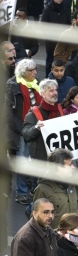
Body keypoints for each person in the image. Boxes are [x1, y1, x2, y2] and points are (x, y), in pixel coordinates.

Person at [5, 58, 41, 204]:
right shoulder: (13, 86)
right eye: (31, 70)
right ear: (23, 72)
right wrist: (21, 129)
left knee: (36, 160)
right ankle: (20, 192)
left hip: (35, 128)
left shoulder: (35, 84)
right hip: (21, 130)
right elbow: (8, 112)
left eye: (35, 69)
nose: (35, 72)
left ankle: (33, 188)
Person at [32, 149, 78, 228]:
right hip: (54, 237)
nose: (73, 167)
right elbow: (36, 220)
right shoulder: (43, 189)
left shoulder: (71, 184)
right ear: (59, 168)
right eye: (70, 165)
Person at [22, 78, 65, 162]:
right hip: (41, 160)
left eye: (55, 90)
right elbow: (26, 134)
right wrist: (36, 128)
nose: (55, 93)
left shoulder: (60, 110)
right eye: (51, 91)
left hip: (59, 158)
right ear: (43, 94)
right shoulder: (33, 113)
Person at [40, 0, 71, 75]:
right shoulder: (47, 9)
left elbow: (69, 23)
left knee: (63, 61)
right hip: (51, 40)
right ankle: (48, 77)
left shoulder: (65, 9)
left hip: (63, 40)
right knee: (50, 60)